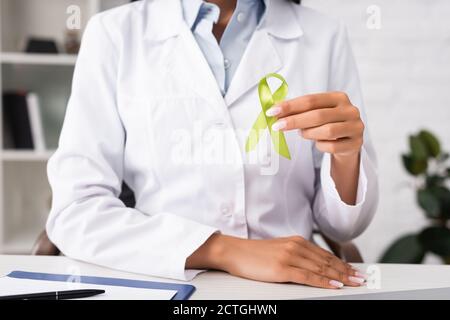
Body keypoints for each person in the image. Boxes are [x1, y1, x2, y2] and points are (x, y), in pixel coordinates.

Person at [46, 0, 378, 289]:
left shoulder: (324, 35)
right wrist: (224, 250)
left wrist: (347, 155)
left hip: (291, 287)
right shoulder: (113, 33)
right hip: (165, 279)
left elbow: (345, 225)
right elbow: (76, 211)